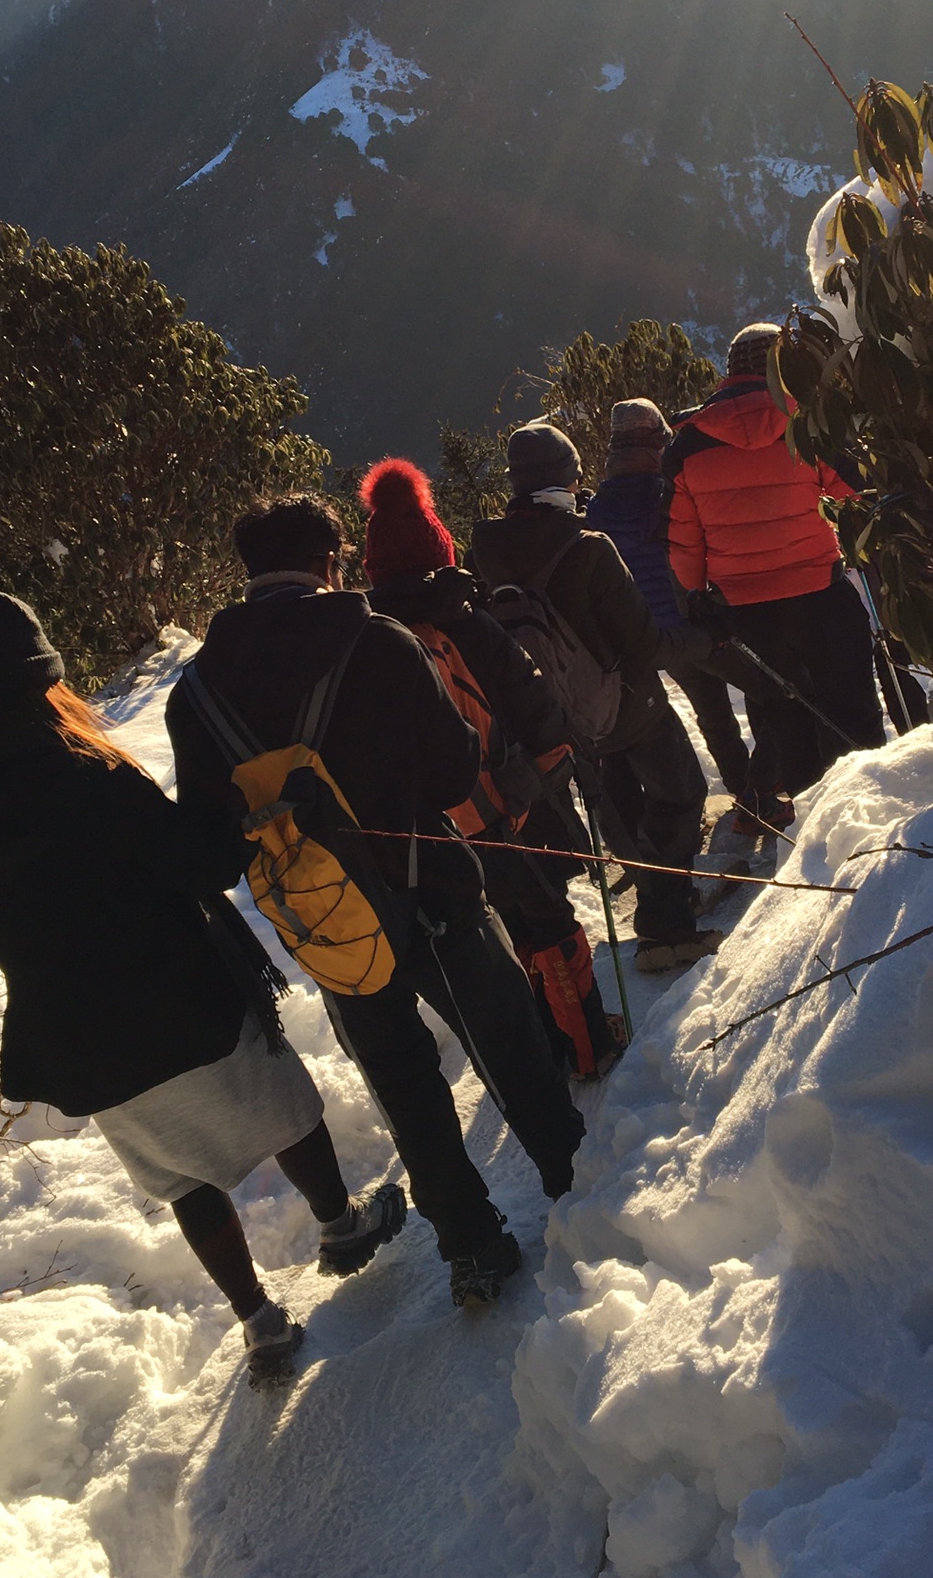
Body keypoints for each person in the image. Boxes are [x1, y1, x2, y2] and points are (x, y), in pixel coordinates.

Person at [0, 591, 404, 1389]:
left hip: (80, 1044)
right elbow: (199, 865)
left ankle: (259, 1320)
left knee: (182, 1177)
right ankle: (342, 1228)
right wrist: (235, 818)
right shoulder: (92, 778)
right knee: (284, 1109)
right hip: (187, 1004)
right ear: (45, 683)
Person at [165, 495, 585, 1309]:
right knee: (507, 1042)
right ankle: (575, 1184)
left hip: (330, 922)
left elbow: (209, 844)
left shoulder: (197, 694)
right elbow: (458, 772)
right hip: (434, 887)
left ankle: (468, 1245)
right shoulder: (377, 641)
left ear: (248, 573)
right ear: (333, 561)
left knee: (403, 1082)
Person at [357, 457, 625, 1079]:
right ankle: (587, 1043)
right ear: (439, 547)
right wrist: (550, 774)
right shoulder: (467, 620)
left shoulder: (371, 639)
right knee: (550, 916)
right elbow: (539, 715)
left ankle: (548, 1039)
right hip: (514, 802)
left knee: (507, 921)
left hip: (443, 828)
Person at [469, 422, 714, 975]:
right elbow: (645, 645)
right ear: (567, 478)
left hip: (557, 720)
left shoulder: (483, 551)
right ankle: (667, 920)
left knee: (621, 810)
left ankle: (658, 903)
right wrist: (706, 637)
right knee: (681, 792)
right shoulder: (587, 547)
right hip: (632, 707)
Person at [667, 322, 887, 833]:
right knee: (850, 703)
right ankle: (875, 809)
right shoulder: (807, 425)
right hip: (821, 592)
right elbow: (859, 496)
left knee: (784, 713)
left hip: (746, 608)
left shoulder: (688, 443)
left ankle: (814, 825)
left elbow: (683, 542)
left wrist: (698, 594)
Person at [585, 397, 752, 799]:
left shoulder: (596, 509)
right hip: (700, 623)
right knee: (767, 697)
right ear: (659, 441)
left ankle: (748, 797)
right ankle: (767, 791)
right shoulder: (672, 492)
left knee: (712, 716)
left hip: (656, 635)